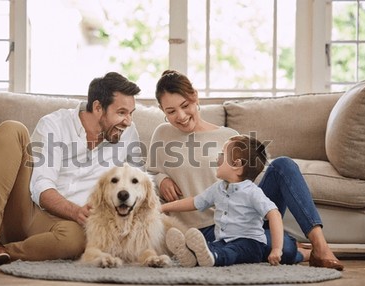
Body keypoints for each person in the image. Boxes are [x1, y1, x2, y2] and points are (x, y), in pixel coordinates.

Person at [0, 72, 142, 267]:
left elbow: (141, 177)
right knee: (12, 129)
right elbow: (41, 187)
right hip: (30, 210)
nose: (128, 121)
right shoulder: (55, 124)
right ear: (98, 108)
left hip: (69, 226)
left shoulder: (127, 133)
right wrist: (75, 211)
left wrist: (163, 180)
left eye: (131, 113)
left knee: (75, 242)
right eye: (122, 112)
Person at [147, 69, 343, 270]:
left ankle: (320, 246)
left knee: (283, 165)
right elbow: (147, 176)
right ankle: (297, 250)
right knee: (279, 245)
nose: (180, 116)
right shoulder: (162, 134)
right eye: (170, 111)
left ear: (194, 96)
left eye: (185, 106)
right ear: (162, 111)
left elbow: (249, 186)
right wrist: (161, 178)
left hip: (245, 220)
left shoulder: (229, 136)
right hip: (205, 231)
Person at [162, 135, 284, 267]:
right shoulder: (218, 188)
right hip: (223, 240)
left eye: (221, 155)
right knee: (210, 246)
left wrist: (276, 249)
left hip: (250, 243)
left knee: (231, 252)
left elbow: (274, 214)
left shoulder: (252, 192)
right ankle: (191, 255)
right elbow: (194, 202)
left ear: (236, 164)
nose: (217, 159)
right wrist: (163, 208)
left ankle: (214, 257)